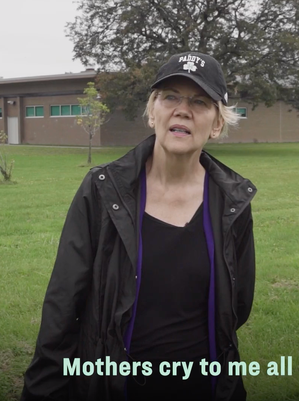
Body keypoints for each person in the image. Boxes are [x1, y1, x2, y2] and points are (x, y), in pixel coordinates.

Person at [21, 51, 256, 401]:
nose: (182, 109)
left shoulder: (232, 201)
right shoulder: (103, 189)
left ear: (218, 123)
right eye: (170, 96)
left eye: (200, 101)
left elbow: (237, 304)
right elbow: (62, 304)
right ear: (152, 112)